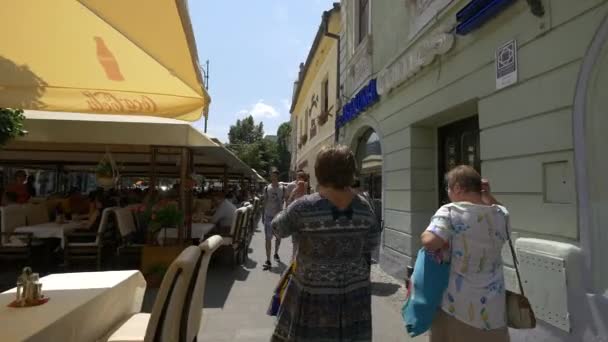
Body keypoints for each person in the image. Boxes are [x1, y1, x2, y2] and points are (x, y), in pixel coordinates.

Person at [271, 145, 381, 341]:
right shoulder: (365, 207)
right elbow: (372, 242)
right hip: (355, 292)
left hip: (313, 292)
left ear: (320, 172)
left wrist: (293, 198)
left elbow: (277, 229)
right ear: (350, 172)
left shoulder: (304, 206)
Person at [420, 165, 510, 342]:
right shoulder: (500, 214)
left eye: (448, 188)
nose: (448, 192)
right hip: (494, 310)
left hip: (458, 307)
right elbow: (500, 209)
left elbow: (430, 242)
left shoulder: (450, 211)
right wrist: (487, 196)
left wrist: (426, 235)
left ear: (458, 188)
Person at [262, 169, 287, 270]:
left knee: (278, 237)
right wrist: (263, 215)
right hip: (268, 216)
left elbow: (285, 200)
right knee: (268, 238)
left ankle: (276, 253)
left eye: (274, 175)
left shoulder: (283, 188)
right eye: (271, 175)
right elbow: (264, 202)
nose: (272, 177)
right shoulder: (266, 188)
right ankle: (268, 260)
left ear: (277, 176)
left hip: (279, 216)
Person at [285, 170, 309, 261]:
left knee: (295, 240)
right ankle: (296, 258)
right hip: (303, 212)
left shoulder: (301, 183)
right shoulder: (306, 184)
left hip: (297, 211)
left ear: (301, 177)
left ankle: (294, 260)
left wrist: (290, 199)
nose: (297, 178)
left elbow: (294, 192)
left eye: (298, 176)